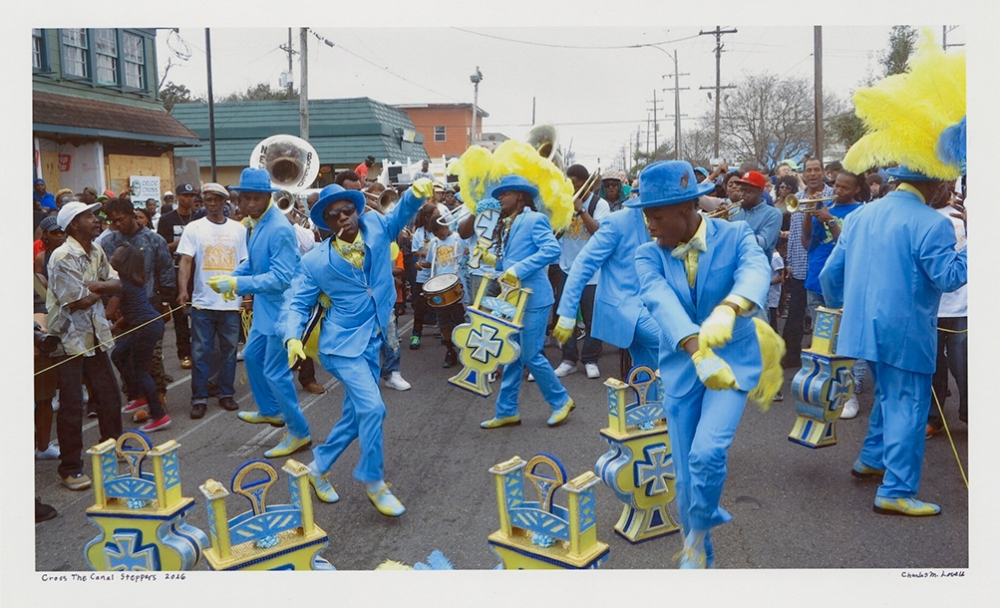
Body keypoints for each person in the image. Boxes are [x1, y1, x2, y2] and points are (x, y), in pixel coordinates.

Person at [820, 35, 967, 517]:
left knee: (888, 397)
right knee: (906, 405)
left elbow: (832, 274)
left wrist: (841, 306)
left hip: (862, 327)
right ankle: (897, 490)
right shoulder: (932, 222)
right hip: (906, 333)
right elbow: (948, 279)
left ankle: (870, 460)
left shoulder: (860, 215)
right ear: (936, 180)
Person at [631, 160, 780, 568]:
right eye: (646, 216)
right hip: (683, 368)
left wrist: (730, 308)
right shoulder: (647, 255)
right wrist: (698, 351)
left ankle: (702, 522)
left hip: (732, 365)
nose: (650, 226)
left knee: (707, 454)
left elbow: (755, 269)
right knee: (684, 473)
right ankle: (697, 548)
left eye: (656, 216)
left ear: (687, 209)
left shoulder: (736, 235)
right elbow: (660, 302)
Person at [284, 179, 434, 516]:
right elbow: (297, 303)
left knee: (356, 416)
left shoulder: (378, 227)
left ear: (356, 210)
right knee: (374, 408)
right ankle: (374, 482)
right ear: (327, 221)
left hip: (374, 339)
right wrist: (293, 336)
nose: (343, 218)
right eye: (334, 215)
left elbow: (402, 213)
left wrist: (417, 193)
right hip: (340, 347)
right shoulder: (315, 261)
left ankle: (317, 469)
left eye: (347, 211)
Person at [206, 168, 311, 458]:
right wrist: (232, 278)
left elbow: (281, 278)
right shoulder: (254, 223)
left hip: (284, 308)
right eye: (245, 198)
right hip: (267, 306)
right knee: (251, 357)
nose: (249, 204)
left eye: (256, 198)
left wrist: (237, 284)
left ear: (267, 197)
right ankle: (272, 411)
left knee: (276, 372)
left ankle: (299, 433)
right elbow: (254, 263)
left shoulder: (278, 227)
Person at [474, 175, 576, 430]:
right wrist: (489, 260)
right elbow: (508, 265)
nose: (499, 198)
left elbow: (552, 250)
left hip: (535, 299)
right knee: (512, 357)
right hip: (514, 300)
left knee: (531, 355)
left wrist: (518, 269)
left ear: (519, 195)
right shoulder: (509, 224)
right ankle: (507, 411)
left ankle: (561, 400)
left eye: (504, 194)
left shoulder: (534, 219)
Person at [46, 201, 124, 490]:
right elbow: (77, 302)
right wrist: (99, 286)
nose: (96, 219)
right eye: (88, 216)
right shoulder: (62, 256)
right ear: (73, 224)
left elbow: (116, 284)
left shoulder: (97, 250)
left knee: (109, 396)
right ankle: (70, 468)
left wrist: (95, 286)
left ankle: (114, 448)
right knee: (71, 406)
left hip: (95, 335)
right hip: (69, 340)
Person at [552, 185, 660, 373]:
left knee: (648, 376)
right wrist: (568, 311)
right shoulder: (617, 222)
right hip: (627, 307)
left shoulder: (674, 223)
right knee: (681, 342)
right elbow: (584, 264)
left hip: (658, 306)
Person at [176, 183, 248, 418]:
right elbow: (185, 261)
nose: (212, 203)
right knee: (200, 352)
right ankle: (199, 397)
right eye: (208, 199)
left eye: (217, 199)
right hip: (202, 303)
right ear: (204, 202)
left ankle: (226, 393)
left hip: (230, 303)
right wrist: (183, 290)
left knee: (229, 352)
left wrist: (247, 294)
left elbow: (245, 263)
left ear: (225, 202)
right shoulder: (194, 228)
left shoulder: (238, 230)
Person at [100, 198, 176, 420]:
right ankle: (137, 398)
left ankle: (158, 398)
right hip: (124, 310)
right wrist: (111, 308)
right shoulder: (109, 242)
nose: (117, 224)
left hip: (149, 305)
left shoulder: (154, 240)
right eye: (113, 222)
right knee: (125, 357)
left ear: (132, 215)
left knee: (151, 358)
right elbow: (106, 277)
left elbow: (165, 271)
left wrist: (165, 302)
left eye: (121, 219)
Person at [801, 170, 868, 419]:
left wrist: (829, 220)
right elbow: (807, 241)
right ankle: (830, 387)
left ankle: (850, 389)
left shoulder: (861, 213)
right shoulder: (825, 206)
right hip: (817, 279)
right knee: (823, 338)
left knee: (848, 338)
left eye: (844, 188)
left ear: (856, 190)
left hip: (847, 283)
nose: (837, 191)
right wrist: (810, 215)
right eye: (836, 186)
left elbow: (851, 247)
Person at [550, 164, 610, 379]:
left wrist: (580, 209)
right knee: (565, 314)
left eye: (576, 185)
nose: (573, 188)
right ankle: (568, 359)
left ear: (587, 183)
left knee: (593, 317)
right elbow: (555, 233)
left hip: (593, 272)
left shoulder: (599, 204)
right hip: (568, 268)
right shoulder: (563, 203)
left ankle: (590, 359)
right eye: (570, 185)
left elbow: (598, 232)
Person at [108, 244, 170, 432]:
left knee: (142, 371)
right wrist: (117, 326)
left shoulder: (120, 284)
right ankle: (138, 396)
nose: (113, 254)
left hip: (146, 328)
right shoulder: (134, 280)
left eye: (117, 253)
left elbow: (110, 311)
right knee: (118, 354)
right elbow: (131, 310)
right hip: (148, 325)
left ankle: (159, 415)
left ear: (123, 261)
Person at [781, 158, 832, 368]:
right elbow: (794, 235)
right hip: (801, 264)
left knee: (823, 313)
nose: (812, 174)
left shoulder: (832, 195)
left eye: (816, 170)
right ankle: (791, 356)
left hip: (823, 263)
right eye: (808, 170)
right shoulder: (797, 198)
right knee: (796, 311)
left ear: (822, 172)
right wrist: (790, 262)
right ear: (802, 174)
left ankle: (824, 355)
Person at [926, 184, 967, 438]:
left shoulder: (962, 213)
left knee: (963, 364)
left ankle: (971, 412)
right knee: (932, 365)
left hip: (964, 305)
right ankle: (934, 417)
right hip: (931, 306)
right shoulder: (920, 215)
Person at [157, 183, 203, 369]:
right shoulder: (167, 219)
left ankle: (200, 351)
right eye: (185, 195)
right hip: (176, 271)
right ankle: (184, 353)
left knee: (200, 314)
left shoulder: (199, 218)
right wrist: (181, 243)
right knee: (180, 316)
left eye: (192, 195)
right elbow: (161, 247)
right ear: (178, 197)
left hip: (198, 271)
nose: (190, 199)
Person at [421, 206, 469, 368]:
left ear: (446, 226)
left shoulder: (458, 238)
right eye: (435, 234)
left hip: (456, 285)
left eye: (440, 232)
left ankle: (465, 349)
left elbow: (469, 255)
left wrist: (469, 252)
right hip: (439, 287)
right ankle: (450, 350)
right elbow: (431, 263)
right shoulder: (434, 243)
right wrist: (422, 265)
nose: (439, 236)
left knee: (460, 319)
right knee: (443, 322)